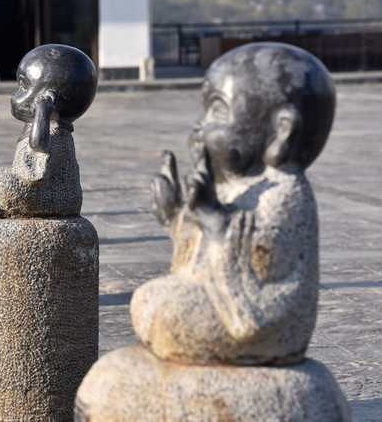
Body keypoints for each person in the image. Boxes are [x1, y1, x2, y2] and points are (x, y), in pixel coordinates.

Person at [137, 42, 336, 365]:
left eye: (217, 111)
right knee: (150, 299)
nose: (200, 126)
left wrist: (214, 221)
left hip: (263, 328)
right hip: (221, 298)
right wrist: (177, 218)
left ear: (281, 130)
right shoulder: (233, 186)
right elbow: (201, 260)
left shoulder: (283, 195)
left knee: (161, 307)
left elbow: (260, 282)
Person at [0, 44, 97, 218]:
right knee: (2, 179)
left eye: (23, 87)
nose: (14, 95)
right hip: (42, 192)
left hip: (56, 198)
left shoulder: (56, 137)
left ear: (47, 101)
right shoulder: (52, 134)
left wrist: (42, 112)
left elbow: (35, 173)